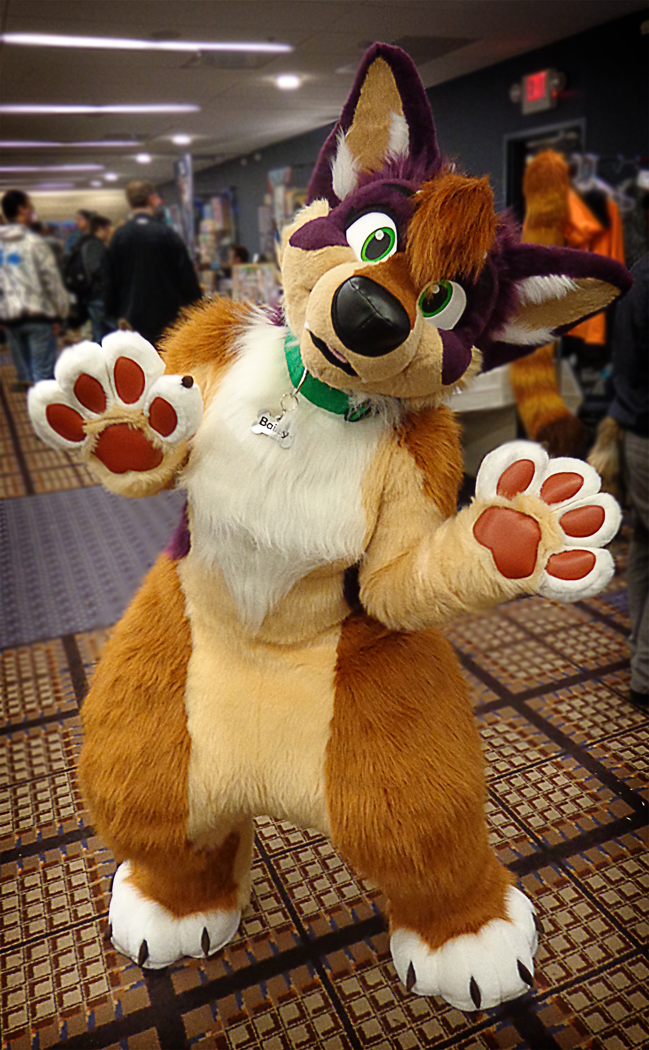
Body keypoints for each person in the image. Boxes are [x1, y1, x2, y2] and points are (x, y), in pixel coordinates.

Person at [606, 253, 649, 709]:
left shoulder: (639, 271)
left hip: (634, 433)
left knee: (643, 545)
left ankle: (641, 654)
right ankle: (645, 671)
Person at [105, 180, 202, 345]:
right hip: (167, 316)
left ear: (129, 203)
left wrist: (114, 313)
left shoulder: (119, 236)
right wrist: (196, 306)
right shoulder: (166, 233)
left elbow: (110, 280)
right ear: (151, 199)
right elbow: (186, 278)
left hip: (131, 317)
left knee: (137, 358)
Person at [0, 189, 69, 388]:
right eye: (30, 206)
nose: (32, 211)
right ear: (21, 209)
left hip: (10, 317)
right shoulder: (34, 243)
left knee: (27, 376)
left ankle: (31, 402)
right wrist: (59, 315)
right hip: (39, 316)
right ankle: (41, 406)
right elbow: (50, 282)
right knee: (43, 377)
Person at [82, 214, 115, 343]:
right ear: (100, 228)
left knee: (99, 332)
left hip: (93, 295)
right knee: (106, 331)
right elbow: (96, 269)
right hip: (99, 296)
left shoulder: (88, 243)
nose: (108, 232)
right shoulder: (95, 245)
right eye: (107, 228)